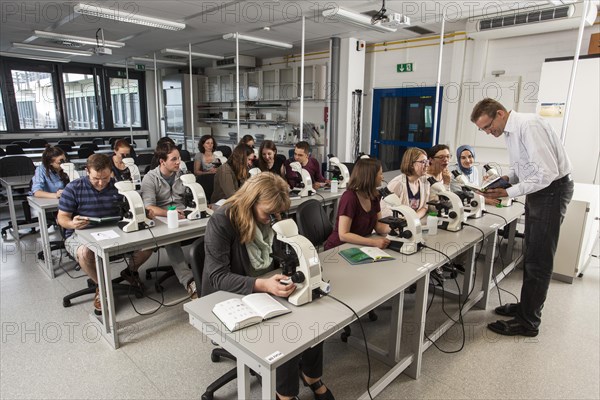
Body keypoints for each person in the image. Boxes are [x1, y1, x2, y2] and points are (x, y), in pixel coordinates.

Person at [203, 172, 335, 400]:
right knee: (285, 328)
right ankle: (284, 394)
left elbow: (284, 252)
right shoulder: (223, 219)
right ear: (251, 202)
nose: (274, 218)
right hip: (229, 294)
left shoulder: (274, 215)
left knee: (313, 312)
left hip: (267, 284)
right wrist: (262, 284)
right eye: (269, 213)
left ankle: (311, 375)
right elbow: (217, 276)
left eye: (279, 212)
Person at [471, 98, 574, 337]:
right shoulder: (510, 131)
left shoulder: (529, 126)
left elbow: (545, 173)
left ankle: (528, 322)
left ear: (499, 113)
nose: (488, 132)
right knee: (532, 253)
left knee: (539, 258)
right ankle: (525, 307)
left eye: (488, 127)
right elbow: (524, 168)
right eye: (483, 130)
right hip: (541, 191)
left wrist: (509, 192)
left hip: (551, 190)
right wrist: (506, 180)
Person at [57, 154, 150, 314]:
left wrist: (144, 212)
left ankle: (130, 271)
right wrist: (72, 223)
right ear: (87, 171)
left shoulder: (119, 187)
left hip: (114, 232)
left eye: (105, 178)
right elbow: (62, 218)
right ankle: (102, 286)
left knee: (149, 243)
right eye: (96, 178)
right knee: (85, 252)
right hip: (79, 234)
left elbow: (131, 210)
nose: (101, 183)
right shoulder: (73, 188)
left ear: (111, 172)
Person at [140, 141, 198, 298]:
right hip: (161, 219)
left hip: (183, 215)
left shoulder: (182, 175)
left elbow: (191, 196)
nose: (178, 162)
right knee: (172, 240)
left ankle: (212, 273)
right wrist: (170, 213)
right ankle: (190, 282)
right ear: (162, 161)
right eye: (174, 159)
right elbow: (149, 208)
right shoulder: (150, 179)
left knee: (212, 229)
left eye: (179, 158)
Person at [325, 158, 390, 250]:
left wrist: (397, 227)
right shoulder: (350, 198)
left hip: (359, 245)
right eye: (380, 174)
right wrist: (373, 242)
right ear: (370, 176)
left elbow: (378, 226)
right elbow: (343, 235)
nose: (382, 177)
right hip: (339, 247)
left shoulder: (374, 196)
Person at [380, 147, 431, 219]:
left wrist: (414, 219)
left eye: (427, 162)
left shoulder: (425, 182)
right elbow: (384, 210)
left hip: (414, 222)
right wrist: (405, 220)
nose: (427, 165)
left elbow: (424, 207)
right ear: (411, 164)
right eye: (423, 162)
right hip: (397, 225)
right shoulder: (397, 183)